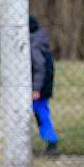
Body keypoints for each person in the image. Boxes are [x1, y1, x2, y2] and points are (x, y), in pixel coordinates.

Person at [29, 15, 59, 155]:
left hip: (39, 88)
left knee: (41, 113)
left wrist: (36, 89)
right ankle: (49, 141)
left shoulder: (34, 44)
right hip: (43, 85)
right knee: (41, 112)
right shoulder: (40, 40)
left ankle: (51, 142)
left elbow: (40, 67)